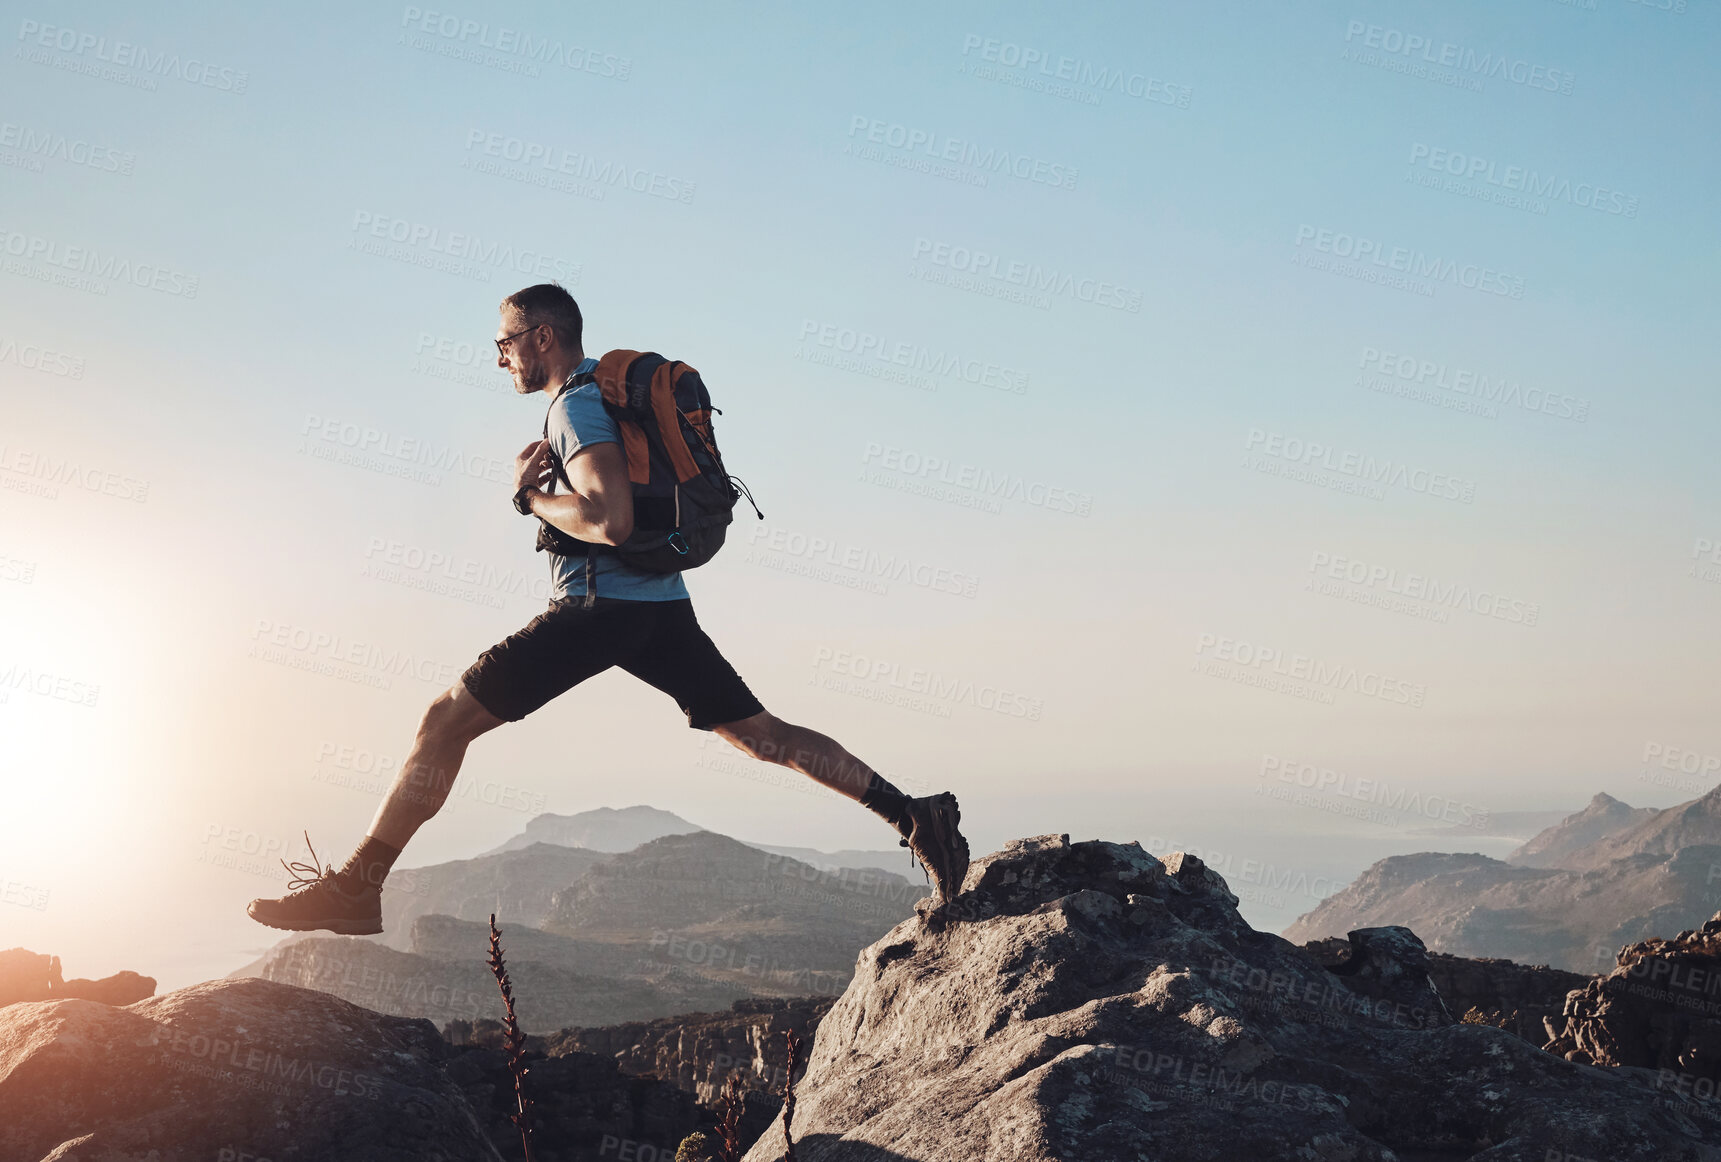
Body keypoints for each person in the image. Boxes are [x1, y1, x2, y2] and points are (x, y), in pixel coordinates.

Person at [247, 283, 970, 935]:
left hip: (597, 610)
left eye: (504, 341)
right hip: (659, 606)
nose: (499, 358)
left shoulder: (576, 404)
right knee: (763, 736)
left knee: (443, 722)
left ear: (542, 336)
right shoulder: (599, 397)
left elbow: (611, 520)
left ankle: (356, 888)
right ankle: (913, 815)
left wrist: (528, 497)